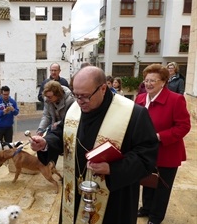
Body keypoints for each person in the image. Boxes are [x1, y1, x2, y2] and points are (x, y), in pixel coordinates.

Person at [30, 66, 159, 224]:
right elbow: (62, 132)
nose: (79, 102)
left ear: (103, 88)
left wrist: (112, 168)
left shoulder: (134, 114)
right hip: (76, 194)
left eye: (84, 96)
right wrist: (45, 143)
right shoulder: (75, 108)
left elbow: (146, 157)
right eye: (76, 95)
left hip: (114, 198)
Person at [135, 64, 191, 224]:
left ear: (163, 82)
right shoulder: (140, 98)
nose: (148, 84)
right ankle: (146, 208)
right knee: (147, 181)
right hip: (146, 152)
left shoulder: (176, 99)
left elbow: (184, 126)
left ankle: (156, 217)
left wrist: (159, 136)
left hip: (167, 152)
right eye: (146, 80)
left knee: (162, 187)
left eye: (153, 80)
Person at [36, 81, 75, 164]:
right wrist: (40, 129)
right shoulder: (48, 99)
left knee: (68, 151)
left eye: (50, 97)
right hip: (54, 128)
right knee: (51, 146)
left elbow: (71, 118)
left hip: (67, 128)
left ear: (58, 94)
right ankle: (51, 168)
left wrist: (59, 123)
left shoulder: (70, 100)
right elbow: (46, 116)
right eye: (46, 96)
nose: (48, 99)